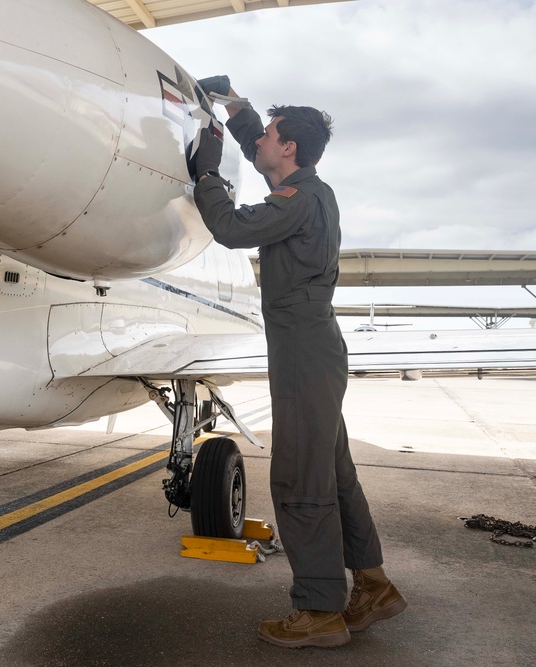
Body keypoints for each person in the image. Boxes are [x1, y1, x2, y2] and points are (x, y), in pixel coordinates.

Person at [191, 76, 406, 649]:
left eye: (267, 134)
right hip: (313, 346)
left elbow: (232, 227)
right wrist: (236, 107)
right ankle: (372, 585)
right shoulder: (310, 189)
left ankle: (319, 612)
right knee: (334, 474)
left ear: (288, 148)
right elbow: (260, 158)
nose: (259, 141)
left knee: (300, 479)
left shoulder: (299, 200)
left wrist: (205, 172)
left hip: (304, 353)